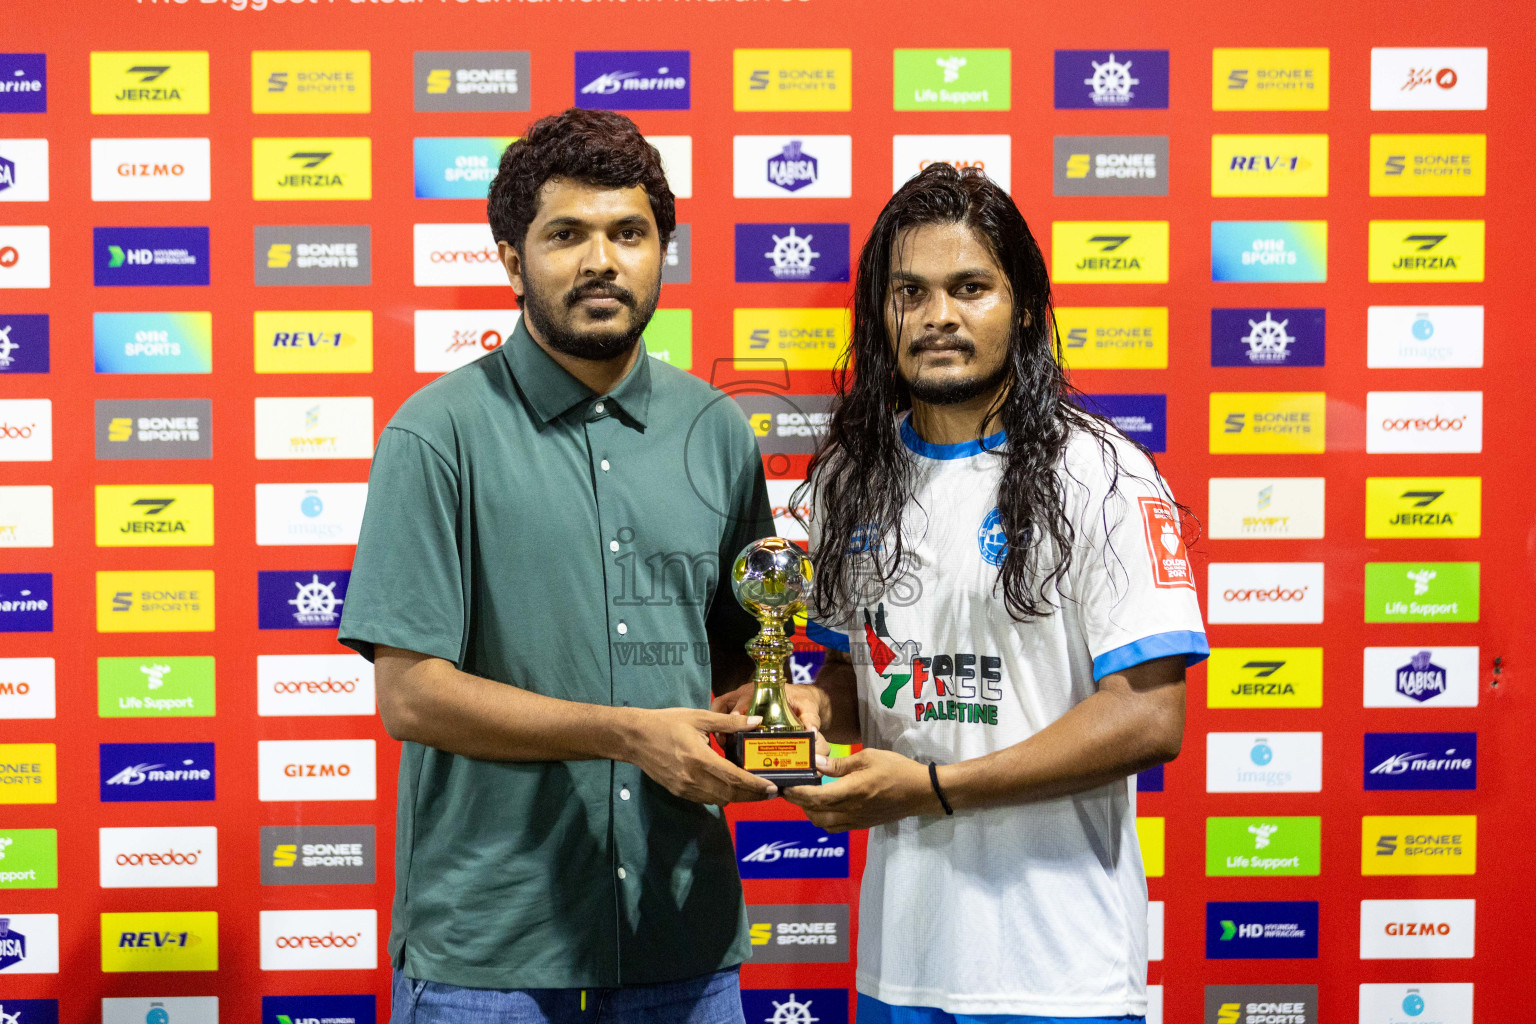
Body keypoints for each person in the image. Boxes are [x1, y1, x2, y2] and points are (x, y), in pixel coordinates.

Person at [720, 163, 1208, 1024]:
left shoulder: (1101, 474)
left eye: (969, 288)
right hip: (901, 966)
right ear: (881, 313)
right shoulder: (849, 482)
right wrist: (804, 710)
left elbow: (1146, 718)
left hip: (1061, 976)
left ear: (1022, 308)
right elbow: (850, 683)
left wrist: (936, 786)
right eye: (910, 291)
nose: (938, 316)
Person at [338, 107, 780, 1024]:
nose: (601, 262)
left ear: (664, 249)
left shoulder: (718, 433)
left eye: (628, 233)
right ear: (511, 261)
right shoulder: (437, 435)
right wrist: (625, 732)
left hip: (681, 939)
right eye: (566, 235)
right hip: (490, 956)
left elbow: (737, 658)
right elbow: (412, 695)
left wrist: (771, 703)